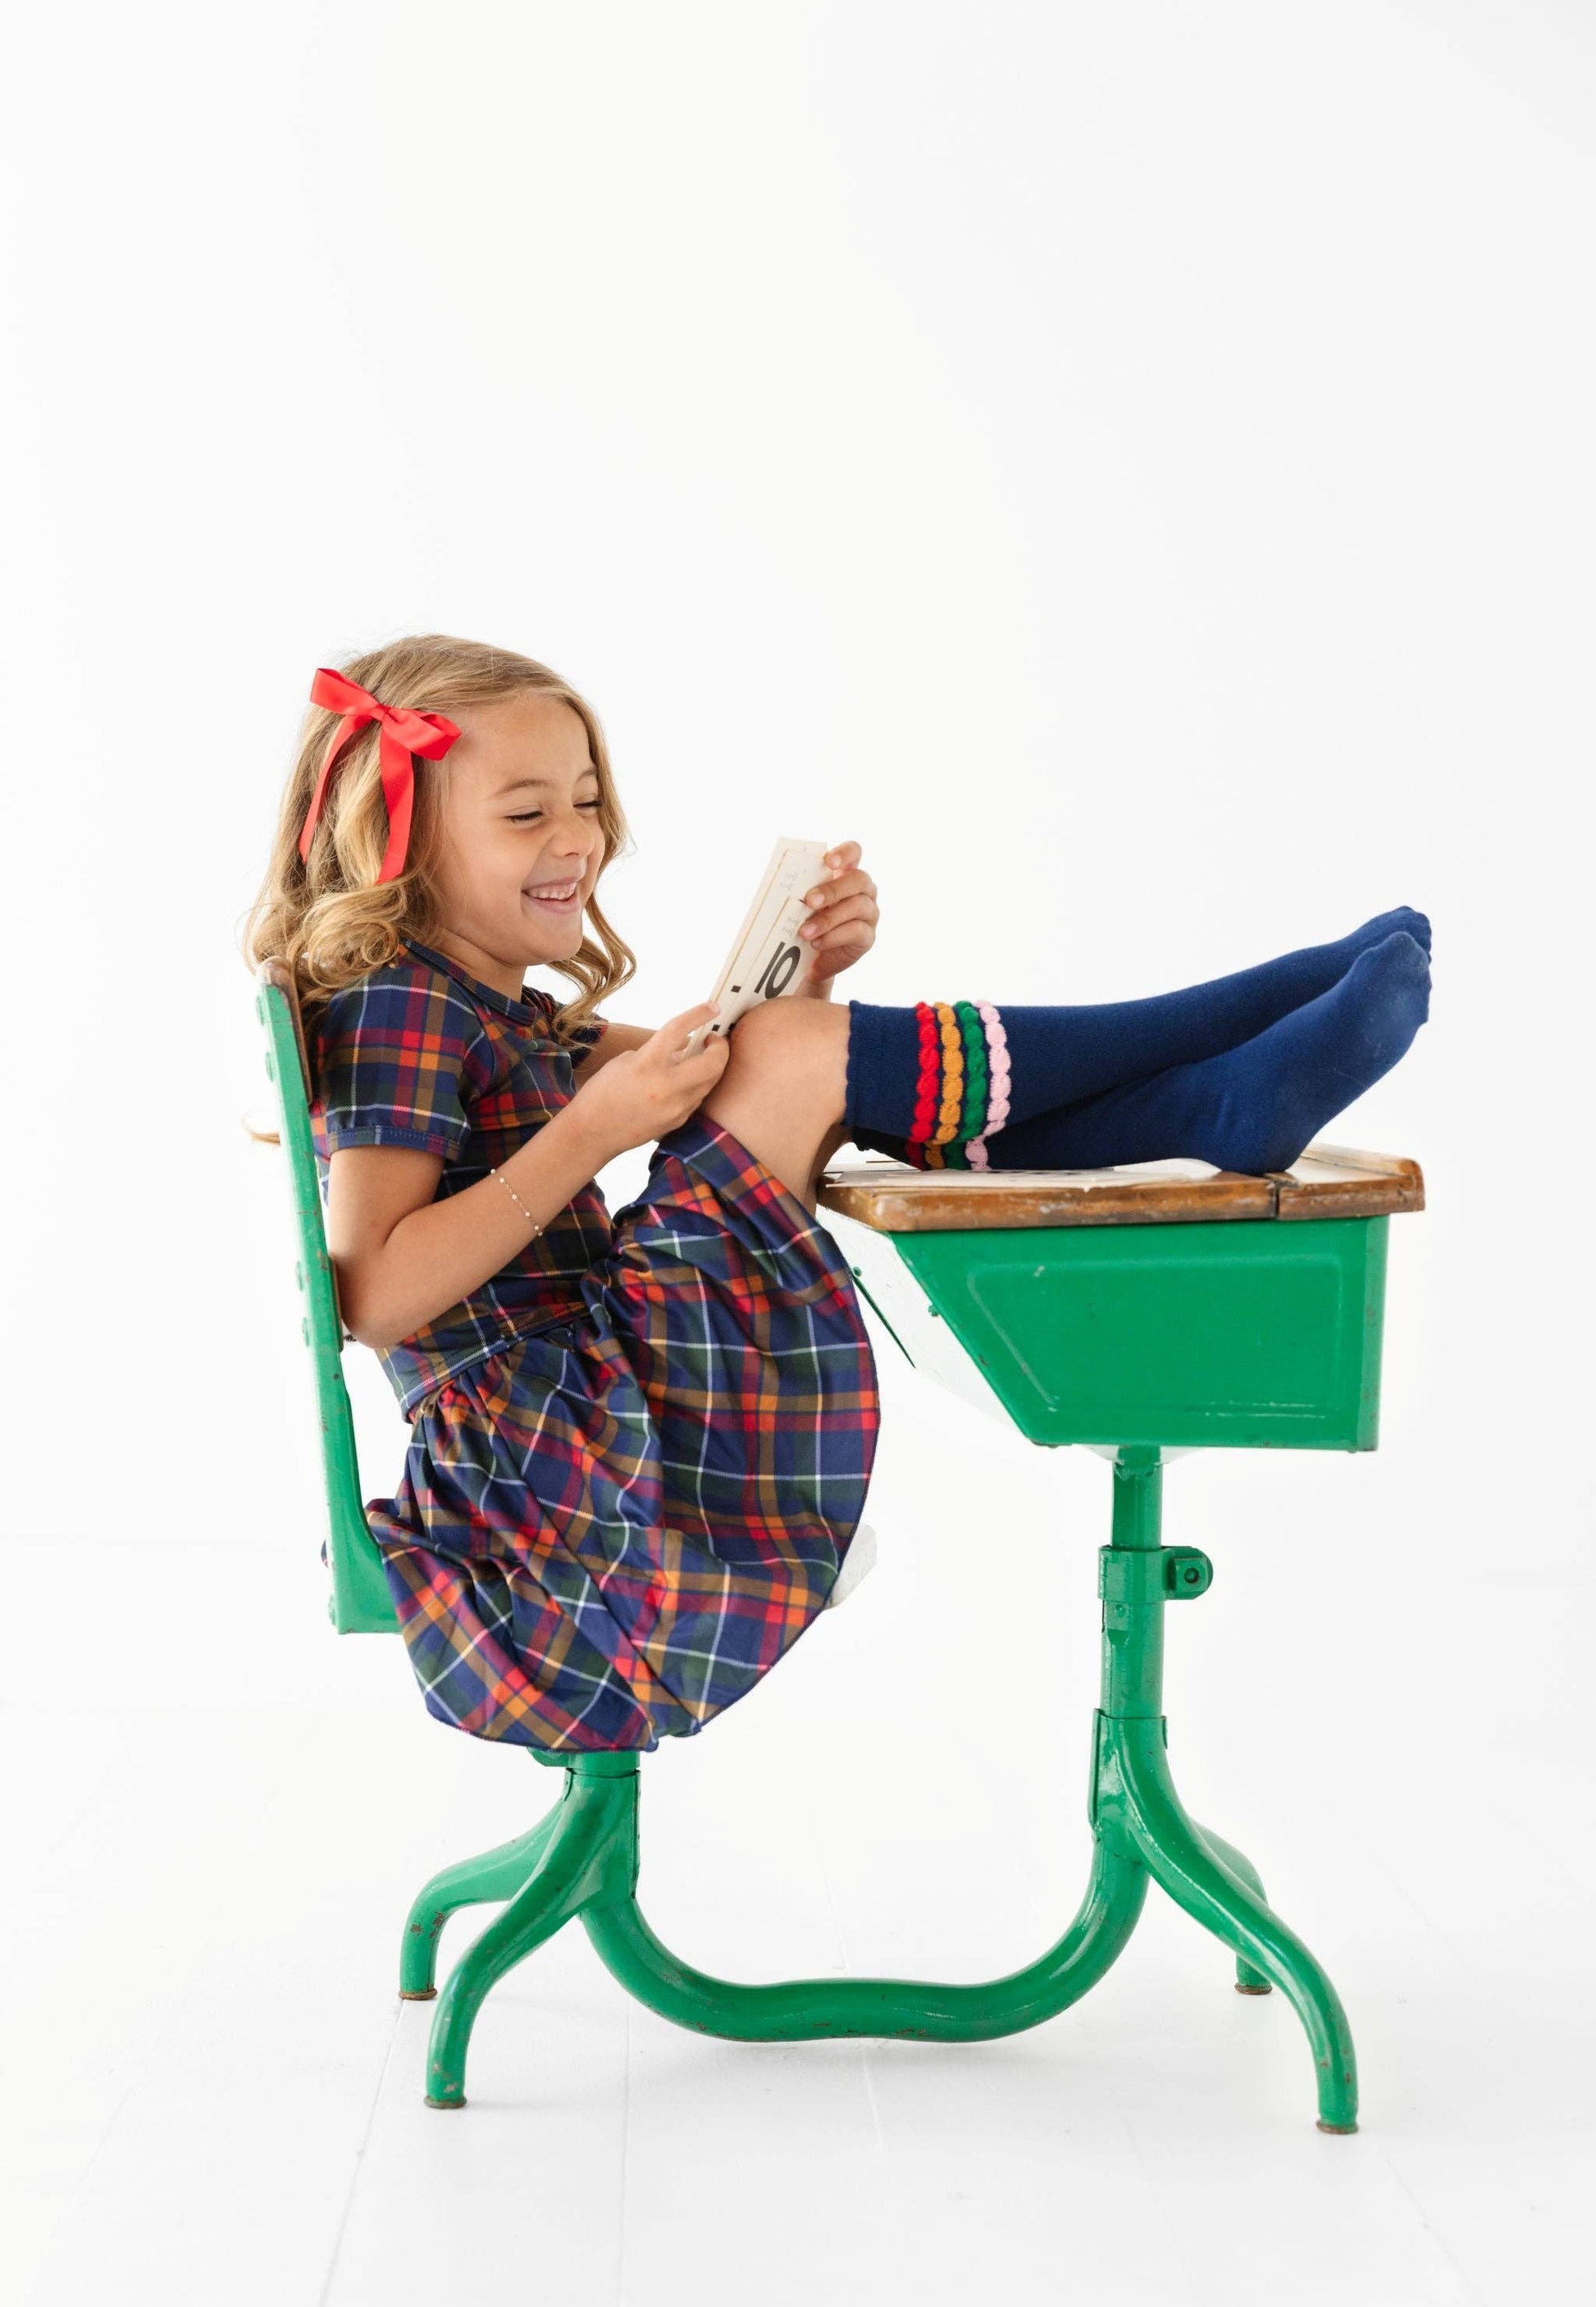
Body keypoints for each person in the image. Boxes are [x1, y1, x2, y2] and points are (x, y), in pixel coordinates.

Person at [244, 632, 1430, 1756]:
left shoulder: (492, 1004)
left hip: (591, 1406)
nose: (577, 840)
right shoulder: (396, 1005)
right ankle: (1215, 1067)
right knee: (780, 1052)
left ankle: (1211, 1091)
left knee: (776, 1048)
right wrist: (599, 1125)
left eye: (588, 801)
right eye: (525, 813)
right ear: (400, 843)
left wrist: (804, 984)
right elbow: (375, 1296)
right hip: (558, 1468)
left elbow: (734, 1081)